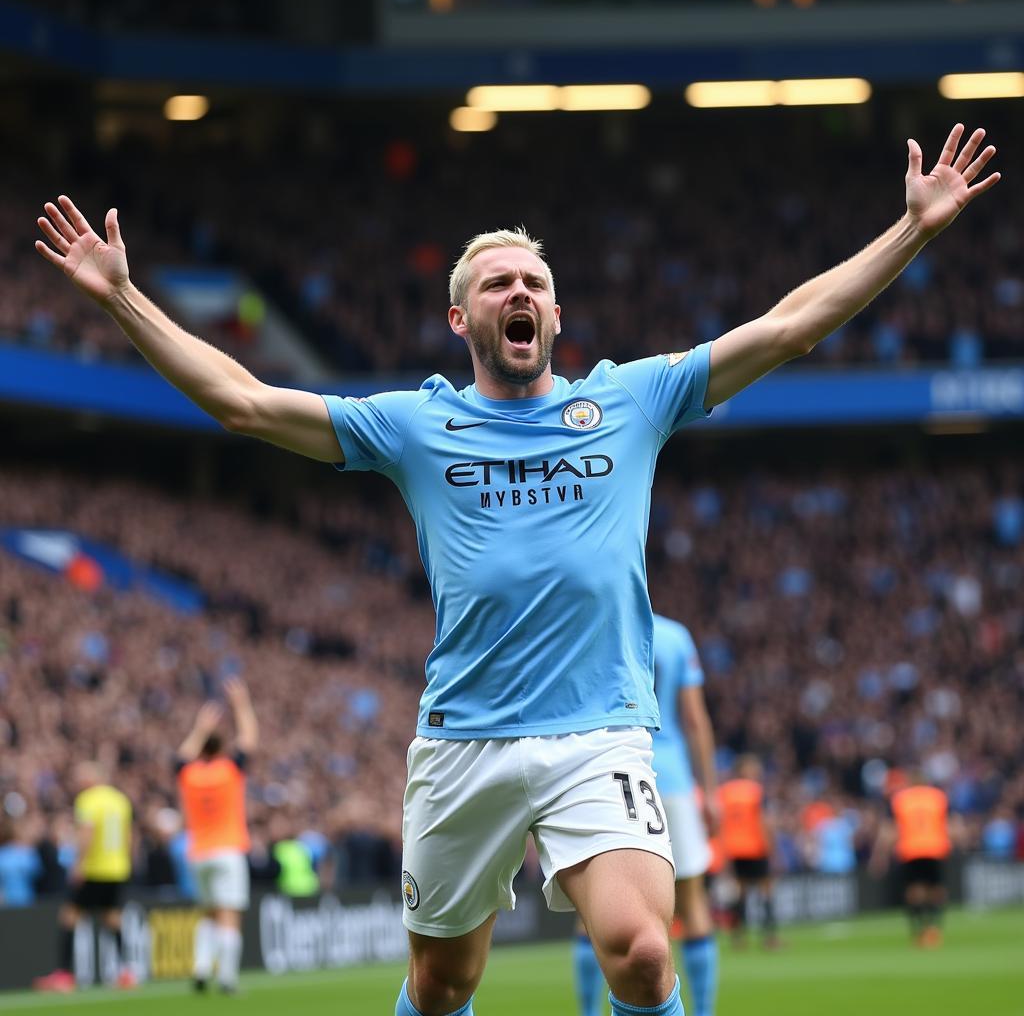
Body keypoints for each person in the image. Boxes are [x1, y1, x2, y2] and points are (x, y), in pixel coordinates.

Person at [34, 123, 999, 1016]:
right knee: (443, 984)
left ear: (557, 310)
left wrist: (910, 232)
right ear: (460, 319)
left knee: (644, 955)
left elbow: (790, 327)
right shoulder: (413, 422)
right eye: (496, 284)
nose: (518, 294)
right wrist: (121, 296)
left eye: (532, 281)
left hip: (599, 732)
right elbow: (243, 402)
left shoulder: (633, 400)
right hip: (466, 742)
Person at [573, 615, 720, 1016]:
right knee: (692, 904)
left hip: (606, 775)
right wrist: (709, 792)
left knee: (592, 906)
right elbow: (694, 720)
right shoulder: (675, 635)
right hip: (670, 777)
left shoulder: (598, 623)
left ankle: (588, 1012)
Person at [176, 678, 258, 994]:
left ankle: (199, 968)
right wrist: (241, 705)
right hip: (228, 850)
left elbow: (182, 757)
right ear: (221, 748)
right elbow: (249, 739)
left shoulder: (190, 775)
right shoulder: (229, 770)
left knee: (208, 913)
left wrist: (199, 727)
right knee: (228, 914)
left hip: (198, 853)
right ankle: (226, 977)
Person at [33, 762, 135, 992]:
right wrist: (126, 861)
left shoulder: (88, 800)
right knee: (112, 918)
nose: (77, 781)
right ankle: (126, 972)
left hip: (94, 868)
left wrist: (79, 864)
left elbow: (86, 833)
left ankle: (64, 975)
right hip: (118, 868)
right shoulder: (120, 800)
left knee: (69, 916)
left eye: (81, 776)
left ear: (91, 779)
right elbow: (129, 837)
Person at [870, 773, 954, 947]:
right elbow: (951, 824)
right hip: (935, 847)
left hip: (910, 848)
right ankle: (934, 928)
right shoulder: (937, 797)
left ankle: (918, 930)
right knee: (936, 889)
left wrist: (879, 856)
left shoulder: (900, 799)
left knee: (914, 890)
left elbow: (889, 829)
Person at [717, 755, 780, 949]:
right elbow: (764, 821)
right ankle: (770, 938)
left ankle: (738, 938)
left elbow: (720, 822)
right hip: (755, 846)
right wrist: (773, 849)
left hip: (734, 848)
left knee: (741, 894)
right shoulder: (756, 791)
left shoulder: (725, 791)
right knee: (767, 891)